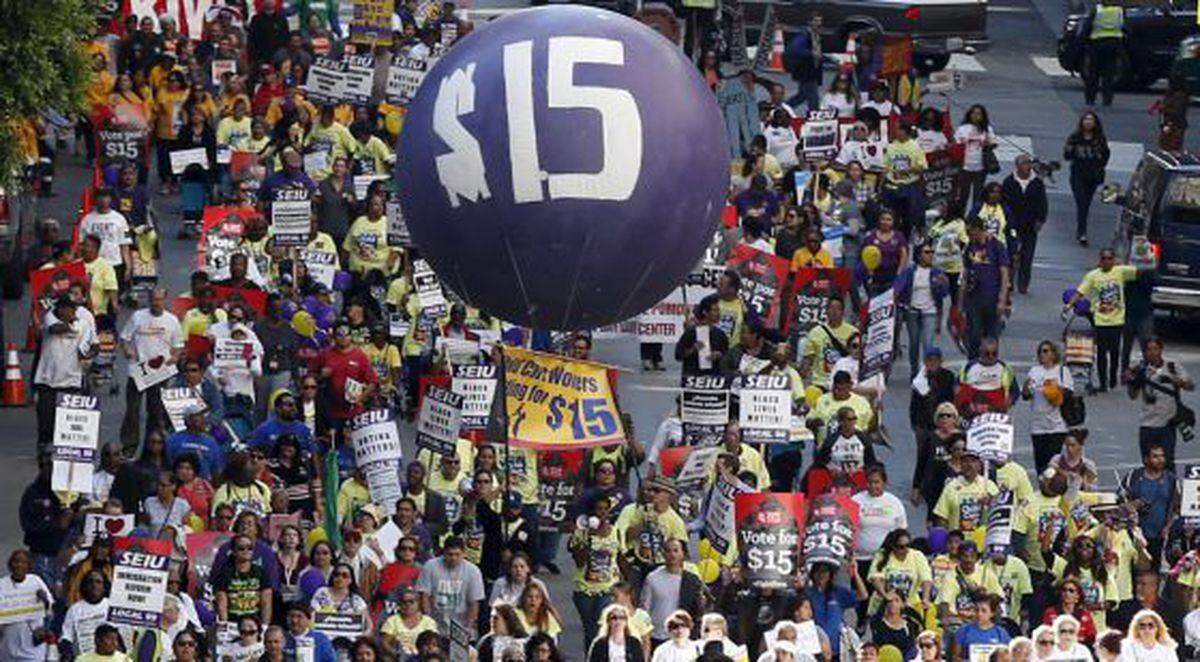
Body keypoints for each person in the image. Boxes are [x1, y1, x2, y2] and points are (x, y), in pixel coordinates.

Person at [119, 287, 184, 454]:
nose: (157, 303)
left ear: (165, 300)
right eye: (154, 299)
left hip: (159, 372)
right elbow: (125, 338)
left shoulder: (172, 321)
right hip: (138, 371)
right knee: (132, 411)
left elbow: (178, 347)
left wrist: (174, 358)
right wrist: (127, 350)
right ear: (149, 300)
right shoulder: (138, 316)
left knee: (155, 412)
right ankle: (129, 445)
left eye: (160, 299)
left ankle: (151, 445)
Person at [1065, 248, 1138, 391]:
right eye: (1103, 259)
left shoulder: (1120, 271)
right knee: (1101, 352)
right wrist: (1069, 306)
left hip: (1117, 321)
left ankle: (1112, 379)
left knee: (1115, 352)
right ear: (1100, 260)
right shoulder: (1093, 276)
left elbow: (1139, 271)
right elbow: (1080, 292)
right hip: (1100, 320)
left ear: (1113, 260)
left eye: (1109, 258)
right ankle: (1103, 383)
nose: (1106, 261)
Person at [33, 296, 97, 450]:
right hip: (47, 379)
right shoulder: (50, 317)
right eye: (70, 309)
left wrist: (89, 355)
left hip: (71, 380)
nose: (74, 312)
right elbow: (55, 329)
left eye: (74, 309)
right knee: (46, 418)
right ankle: (44, 447)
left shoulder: (84, 325)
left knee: (68, 420)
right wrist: (71, 326)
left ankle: (66, 450)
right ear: (61, 310)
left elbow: (93, 345)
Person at [1125, 337, 1193, 471]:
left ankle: (1171, 490)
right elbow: (1132, 396)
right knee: (1148, 464)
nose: (1152, 352)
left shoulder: (1172, 366)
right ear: (1145, 352)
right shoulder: (1141, 369)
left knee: (1167, 463)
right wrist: (1131, 381)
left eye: (1155, 348)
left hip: (1167, 425)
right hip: (1147, 424)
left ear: (1161, 349)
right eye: (1149, 350)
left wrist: (1176, 381)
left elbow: (1190, 385)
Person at [894, 242, 949, 375]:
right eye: (927, 252)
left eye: (931, 252)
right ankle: (914, 371)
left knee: (928, 345)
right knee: (914, 344)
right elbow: (898, 287)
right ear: (919, 256)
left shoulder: (937, 272)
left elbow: (944, 293)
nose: (930, 255)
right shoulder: (910, 271)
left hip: (930, 312)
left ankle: (927, 372)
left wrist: (943, 283)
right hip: (912, 312)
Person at [959, 219, 1011, 358]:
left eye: (970, 232)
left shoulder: (996, 246)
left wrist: (1002, 299)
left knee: (991, 337)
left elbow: (1004, 274)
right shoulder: (971, 247)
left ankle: (990, 364)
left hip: (992, 298)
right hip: (973, 298)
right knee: (974, 335)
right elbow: (965, 274)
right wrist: (960, 302)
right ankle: (973, 364)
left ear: (978, 229)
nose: (968, 235)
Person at [1022, 340, 1075, 474]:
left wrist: (1055, 389)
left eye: (1045, 351)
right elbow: (1026, 395)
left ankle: (1052, 489)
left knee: (1053, 462)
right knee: (1040, 463)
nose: (1042, 354)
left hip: (1057, 424)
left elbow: (1069, 393)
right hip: (1038, 425)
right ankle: (1042, 489)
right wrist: (1026, 387)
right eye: (1040, 352)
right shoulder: (1034, 371)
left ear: (1053, 353)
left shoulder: (1062, 370)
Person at [1120, 443, 1176, 566]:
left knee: (1155, 572)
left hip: (1159, 536)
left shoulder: (1171, 479)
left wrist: (1168, 527)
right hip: (1135, 534)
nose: (1160, 460)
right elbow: (1118, 501)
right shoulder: (1133, 477)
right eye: (1155, 456)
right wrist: (1131, 505)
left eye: (1162, 456)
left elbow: (1176, 506)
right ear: (1146, 459)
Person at [1001, 155, 1048, 295]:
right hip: (1013, 226)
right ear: (1017, 166)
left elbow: (1043, 203)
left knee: (1027, 256)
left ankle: (1023, 284)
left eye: (1028, 164)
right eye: (1024, 164)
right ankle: (1009, 283)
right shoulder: (1009, 182)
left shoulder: (1037, 182)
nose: (1027, 167)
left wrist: (1040, 220)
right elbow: (1004, 203)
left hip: (1030, 226)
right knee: (1012, 254)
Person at [417, 536, 485, 632]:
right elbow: (424, 596)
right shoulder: (430, 566)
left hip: (461, 621)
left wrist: (468, 628)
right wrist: (428, 623)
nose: (453, 558)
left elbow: (474, 603)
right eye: (450, 554)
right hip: (436, 620)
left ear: (463, 553)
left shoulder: (473, 571)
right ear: (443, 552)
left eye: (457, 554)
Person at [1063, 110, 1110, 246]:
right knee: (1081, 202)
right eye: (1086, 119)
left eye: (1091, 120)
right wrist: (1070, 149)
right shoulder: (1075, 137)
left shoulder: (1099, 138)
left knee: (1087, 204)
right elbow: (1067, 156)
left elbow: (1106, 155)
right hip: (1078, 174)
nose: (1088, 122)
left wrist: (1099, 166)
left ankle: (1082, 228)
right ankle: (1082, 231)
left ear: (1095, 123)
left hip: (1092, 175)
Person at [954, 104, 997, 212]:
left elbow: (994, 144)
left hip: (980, 167)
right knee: (963, 195)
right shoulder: (962, 129)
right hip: (965, 167)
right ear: (969, 115)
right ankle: (960, 217)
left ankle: (974, 218)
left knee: (978, 196)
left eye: (978, 114)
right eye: (973, 113)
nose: (976, 116)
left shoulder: (987, 129)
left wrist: (988, 143)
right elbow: (955, 145)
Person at [1083, 2, 1124, 106]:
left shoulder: (1097, 10)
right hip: (1114, 43)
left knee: (1093, 73)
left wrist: (1083, 41)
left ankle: (1090, 98)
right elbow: (1123, 25)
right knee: (1109, 73)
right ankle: (1107, 98)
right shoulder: (1119, 10)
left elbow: (1088, 26)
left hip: (1097, 42)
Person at [952, 592, 1011, 661]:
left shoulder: (1001, 634)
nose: (979, 614)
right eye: (976, 610)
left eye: (984, 611)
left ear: (992, 613)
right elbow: (955, 657)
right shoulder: (963, 631)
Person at [784, 12, 824, 112]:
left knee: (802, 95)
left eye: (820, 21)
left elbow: (818, 53)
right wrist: (811, 53)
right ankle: (815, 117)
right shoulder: (804, 35)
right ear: (809, 22)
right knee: (813, 98)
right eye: (816, 21)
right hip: (806, 71)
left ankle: (784, 108)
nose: (818, 23)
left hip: (812, 70)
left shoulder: (815, 35)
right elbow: (794, 49)